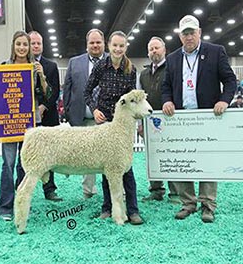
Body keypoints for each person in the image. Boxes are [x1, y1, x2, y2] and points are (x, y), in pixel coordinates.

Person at [161, 15, 237, 223]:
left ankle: (208, 205)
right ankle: (188, 203)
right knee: (183, 161)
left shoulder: (216, 52)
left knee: (208, 160)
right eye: (185, 33)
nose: (188, 37)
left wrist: (224, 101)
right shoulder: (173, 58)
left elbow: (230, 81)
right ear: (179, 36)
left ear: (199, 33)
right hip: (182, 118)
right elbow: (166, 86)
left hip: (208, 117)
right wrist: (167, 101)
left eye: (192, 32)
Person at [84, 30, 143, 225]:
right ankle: (107, 208)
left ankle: (133, 210)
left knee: (127, 168)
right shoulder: (101, 66)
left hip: (123, 125)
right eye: (115, 45)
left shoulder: (130, 69)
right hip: (104, 122)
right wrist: (94, 109)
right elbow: (87, 91)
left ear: (126, 47)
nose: (118, 49)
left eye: (121, 46)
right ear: (109, 46)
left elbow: (132, 100)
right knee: (106, 168)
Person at [0, 31, 49, 221]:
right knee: (8, 164)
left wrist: (41, 75)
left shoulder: (34, 67)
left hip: (29, 121)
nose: (22, 48)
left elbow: (46, 94)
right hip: (9, 122)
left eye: (25, 44)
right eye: (19, 44)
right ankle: (5, 207)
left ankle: (22, 203)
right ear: (13, 46)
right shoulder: (3, 67)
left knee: (26, 166)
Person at [62, 29, 107, 199]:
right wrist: (69, 114)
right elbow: (67, 89)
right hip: (82, 120)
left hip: (106, 121)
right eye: (92, 42)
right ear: (87, 44)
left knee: (108, 157)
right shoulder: (74, 62)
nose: (95, 45)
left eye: (98, 42)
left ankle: (110, 192)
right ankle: (89, 191)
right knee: (87, 158)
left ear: (103, 43)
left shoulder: (113, 61)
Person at [138, 36, 180, 203]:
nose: (154, 51)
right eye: (151, 49)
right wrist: (140, 123)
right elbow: (140, 101)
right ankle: (156, 190)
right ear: (148, 53)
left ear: (164, 50)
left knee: (172, 156)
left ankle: (176, 193)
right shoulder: (143, 74)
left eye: (157, 48)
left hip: (171, 120)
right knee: (152, 156)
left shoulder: (174, 68)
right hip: (150, 122)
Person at [28, 30, 62, 202]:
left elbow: (55, 92)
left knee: (50, 153)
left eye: (38, 43)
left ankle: (49, 189)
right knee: (26, 152)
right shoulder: (20, 64)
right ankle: (23, 186)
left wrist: (43, 106)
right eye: (32, 43)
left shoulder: (51, 66)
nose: (35, 46)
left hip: (48, 116)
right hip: (26, 116)